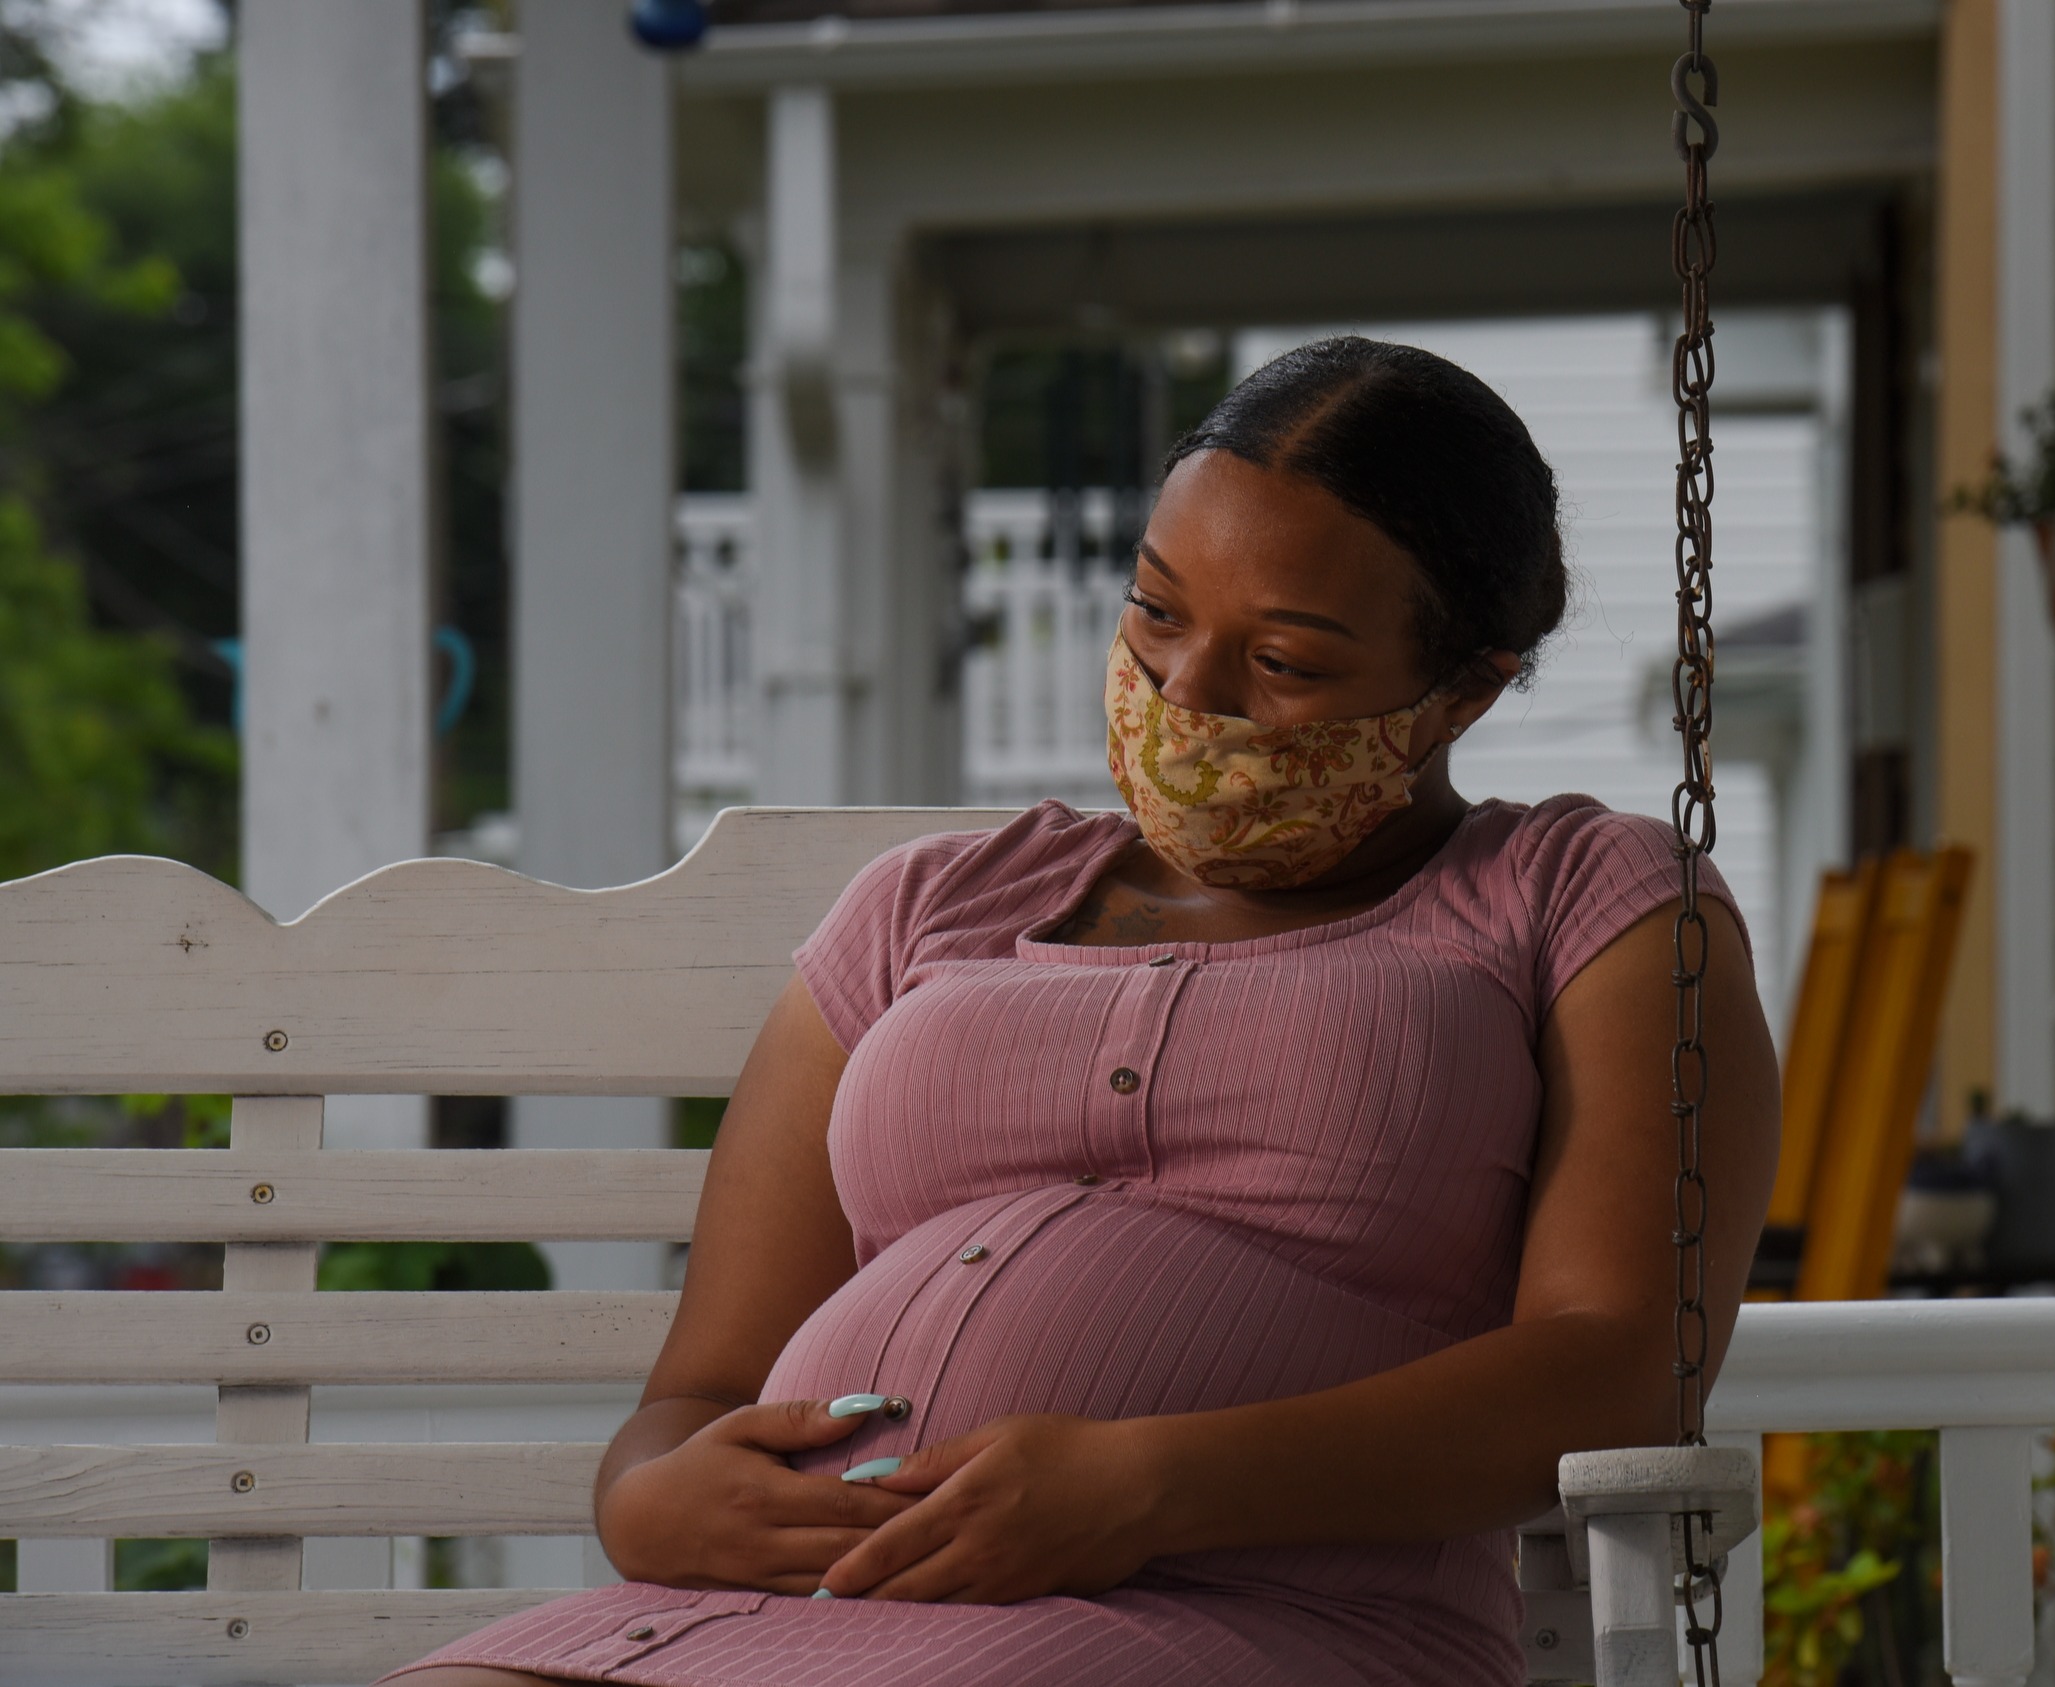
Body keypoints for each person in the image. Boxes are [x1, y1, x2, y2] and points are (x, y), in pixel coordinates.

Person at [386, 336, 1780, 1687]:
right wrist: (648, 1502)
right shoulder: (928, 908)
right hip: (754, 1615)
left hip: (1248, 1621)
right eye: (1159, 611)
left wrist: (1148, 1484)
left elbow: (1620, 1370)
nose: (1186, 693)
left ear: (1462, 689)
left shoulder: (1583, 905)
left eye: (1283, 662)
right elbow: (696, 1397)